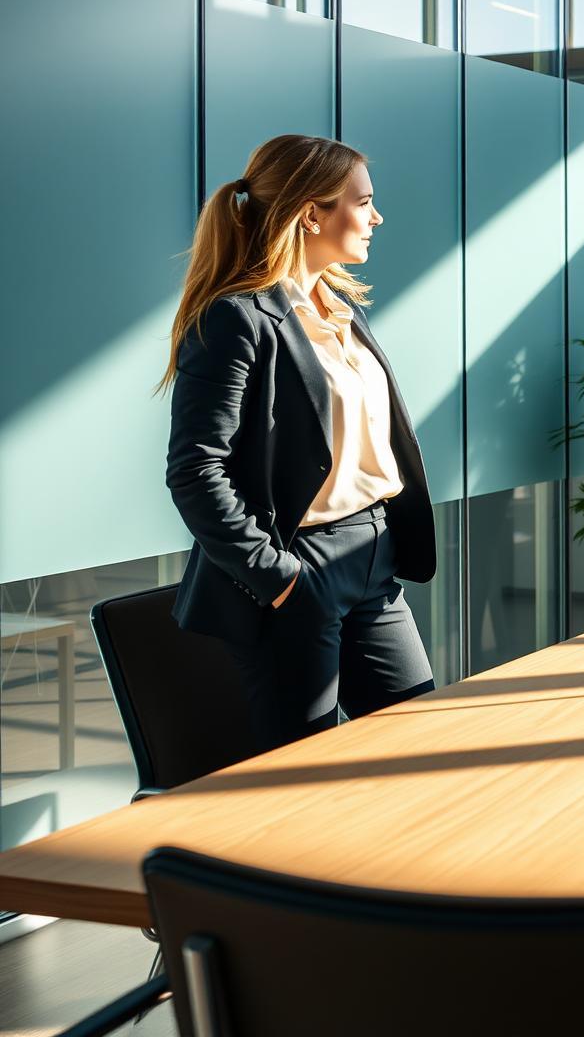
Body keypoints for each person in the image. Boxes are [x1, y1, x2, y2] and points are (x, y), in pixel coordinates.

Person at [161, 133, 437, 752]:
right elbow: (194, 471)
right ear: (312, 213)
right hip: (299, 564)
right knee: (303, 769)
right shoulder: (236, 319)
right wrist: (280, 579)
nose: (377, 217)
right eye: (363, 203)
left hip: (374, 558)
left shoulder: (339, 309)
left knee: (417, 741)